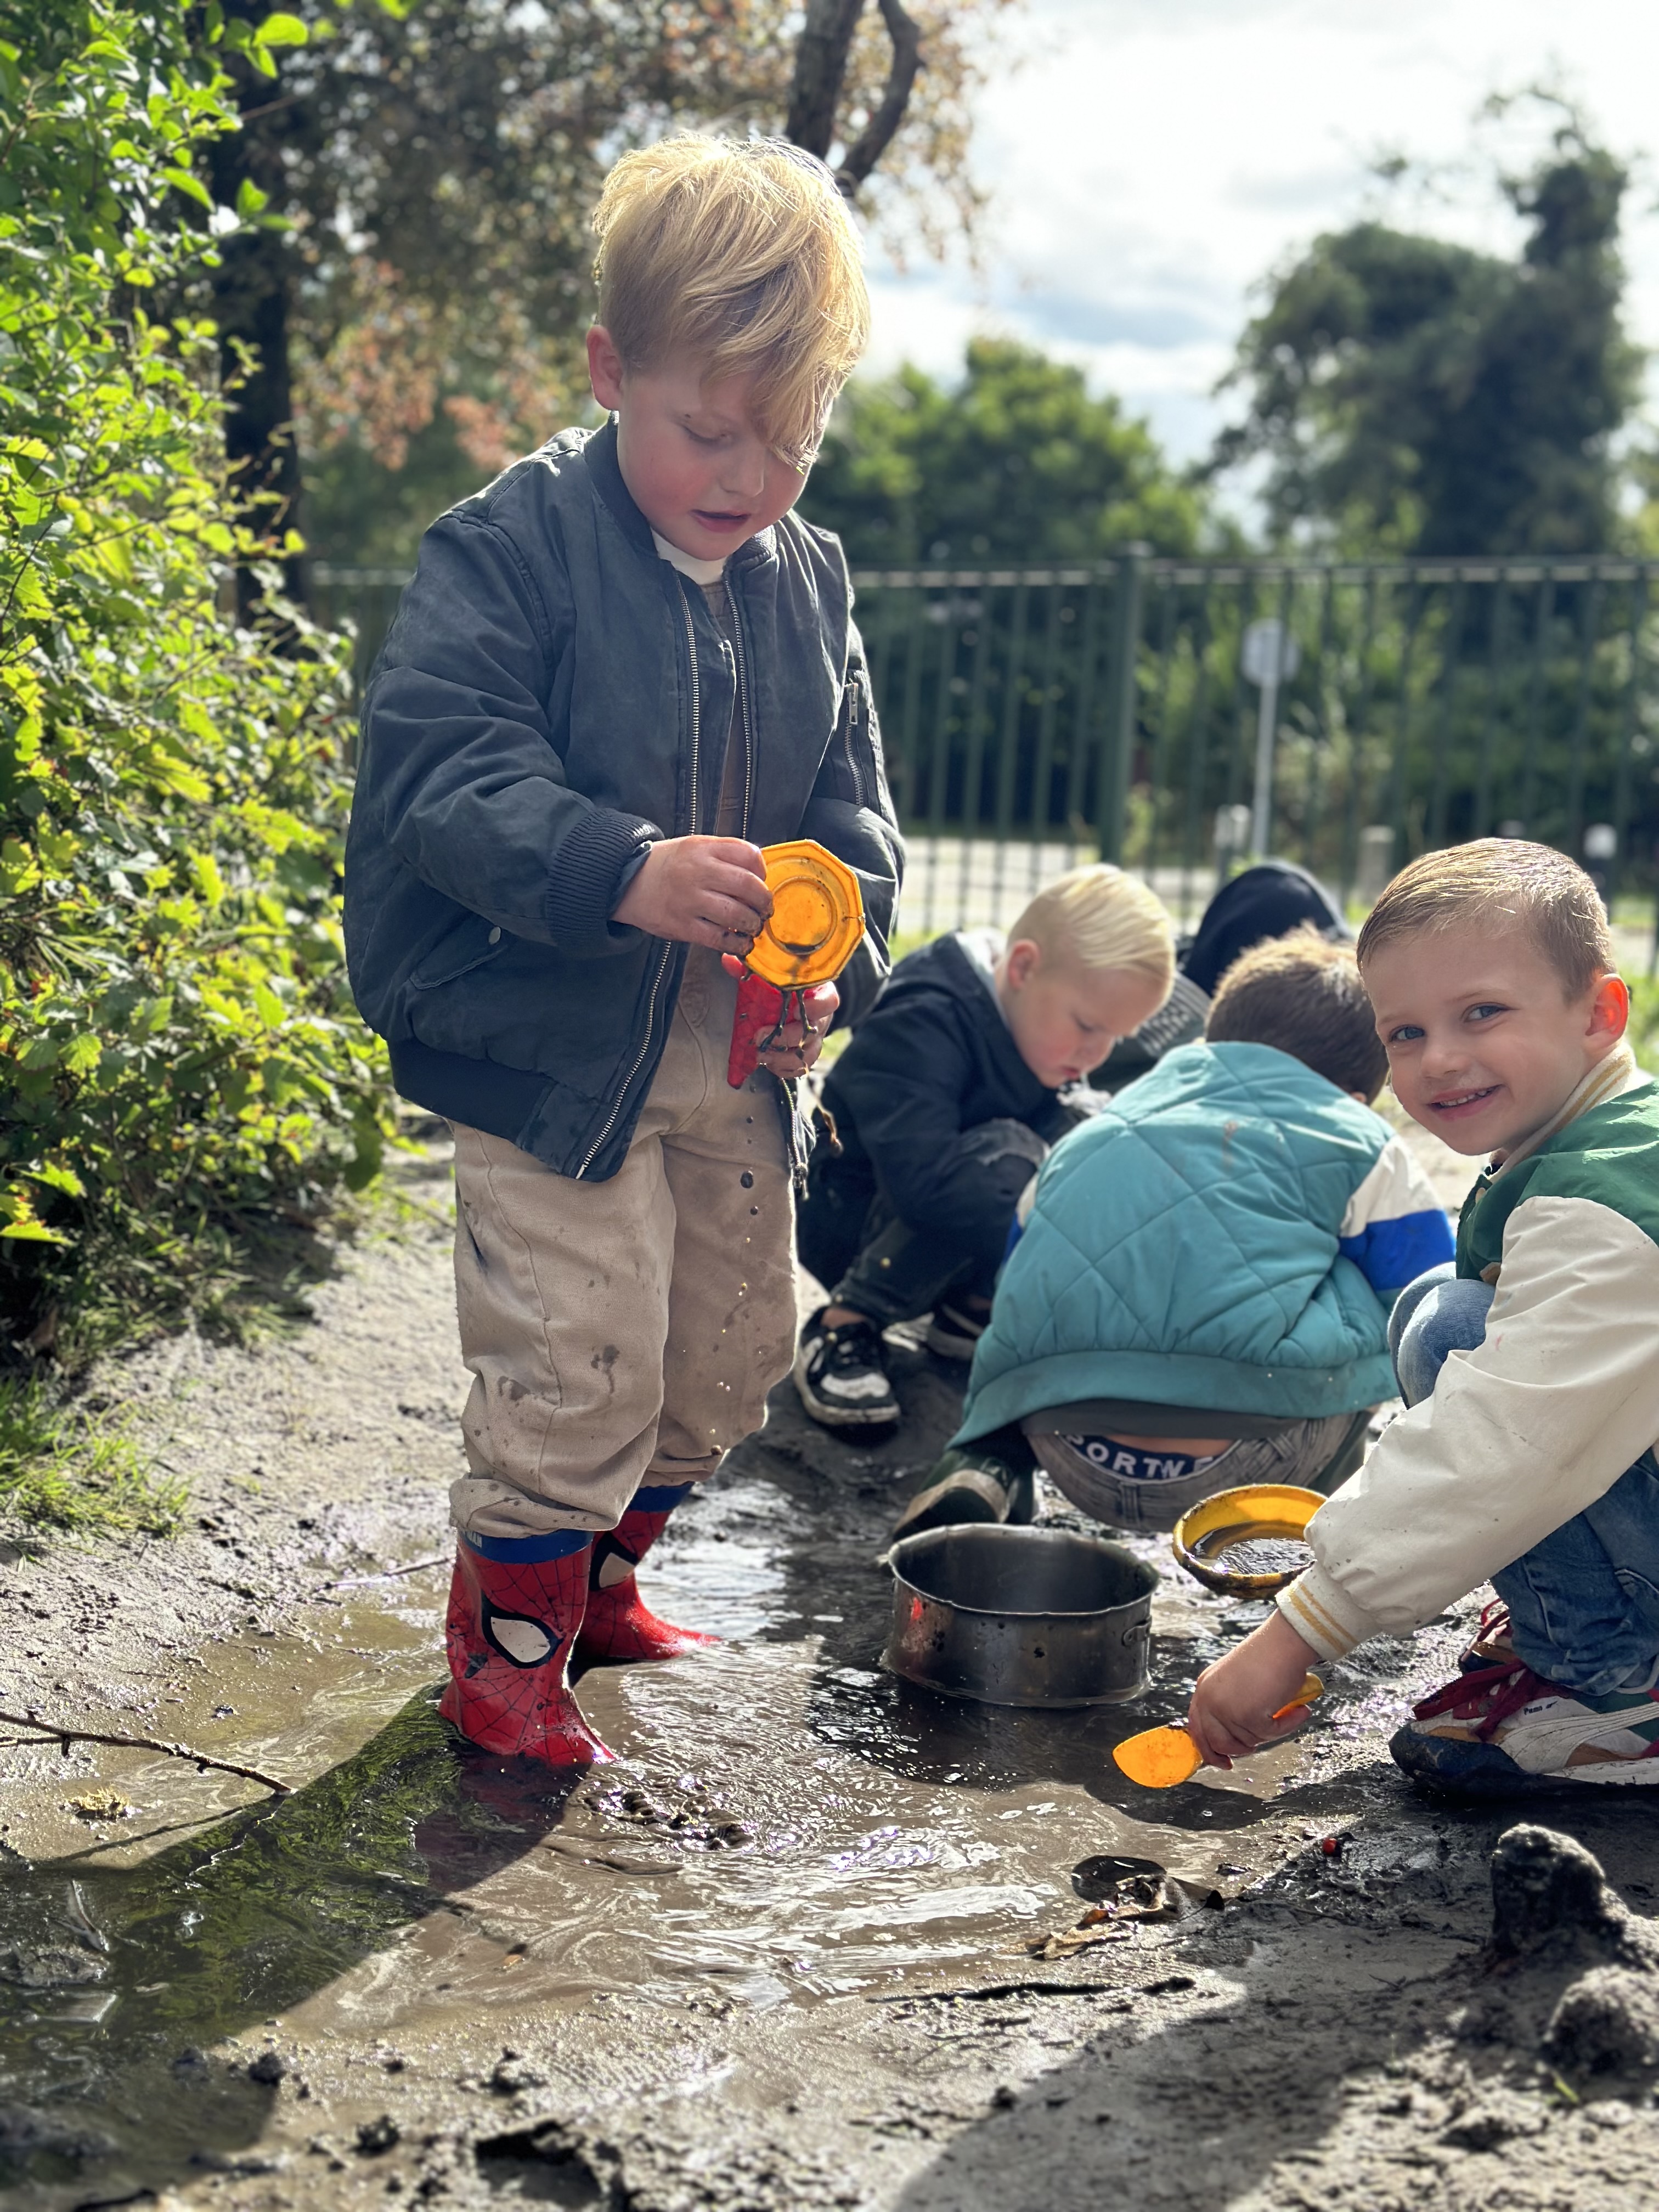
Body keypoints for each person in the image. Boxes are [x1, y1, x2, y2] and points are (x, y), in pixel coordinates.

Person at [344, 137, 901, 1767]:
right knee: (576, 1366)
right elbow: (447, 779)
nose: (745, 477)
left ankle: (594, 1586)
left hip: (731, 1051)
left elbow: (853, 815)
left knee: (725, 1364)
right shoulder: (508, 549)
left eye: (790, 442)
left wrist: (830, 960)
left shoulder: (810, 582)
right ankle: (504, 1650)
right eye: (706, 430)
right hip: (547, 1042)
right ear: (609, 371)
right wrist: (625, 866)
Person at [1187, 839, 1659, 1797]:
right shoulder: (1589, 1139)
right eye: (1402, 1033)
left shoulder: (1604, 1211)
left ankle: (1617, 1689)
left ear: (1598, 1014)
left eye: (1480, 1012)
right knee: (1440, 1312)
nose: (1437, 1059)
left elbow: (1502, 1441)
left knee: (1453, 1334)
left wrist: (1299, 1630)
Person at [894, 930, 1453, 1537]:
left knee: (1068, 1276)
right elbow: (1430, 1299)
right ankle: (1312, 1536)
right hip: (1243, 1465)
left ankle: (984, 1466)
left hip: (1061, 1441)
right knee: (1384, 1288)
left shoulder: (1107, 1120)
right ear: (1352, 1095)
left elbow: (1017, 1269)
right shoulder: (1356, 1135)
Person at [792, 865, 1175, 1429]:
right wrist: (1072, 1241)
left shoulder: (1040, 1023)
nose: (1097, 1053)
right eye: (1088, 1026)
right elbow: (923, 1183)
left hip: (949, 1216)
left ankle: (968, 1309)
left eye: (1115, 1037)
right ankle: (844, 1324)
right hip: (849, 1221)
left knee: (1082, 1144)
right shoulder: (924, 1013)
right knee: (1010, 1162)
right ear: (1022, 967)